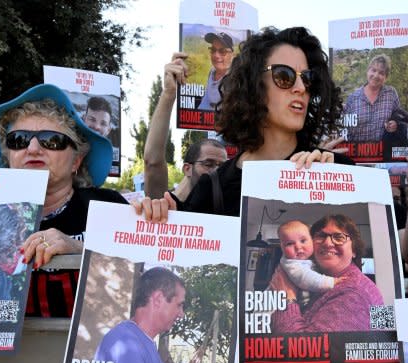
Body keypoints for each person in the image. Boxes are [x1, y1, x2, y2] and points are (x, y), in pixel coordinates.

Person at [137, 26, 351, 220]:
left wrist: (337, 185)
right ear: (253, 85)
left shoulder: (335, 169)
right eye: (284, 76)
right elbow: (153, 164)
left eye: (307, 78)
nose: (300, 88)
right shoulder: (213, 188)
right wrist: (158, 216)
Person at [0, 83, 128, 317]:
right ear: (9, 157)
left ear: (76, 161)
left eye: (51, 140)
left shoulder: (108, 207)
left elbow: (140, 285)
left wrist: (80, 250)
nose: (32, 148)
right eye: (19, 140)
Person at [92, 267, 197, 363]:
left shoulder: (143, 341)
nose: (181, 314)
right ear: (158, 299)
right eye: (179, 305)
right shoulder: (126, 343)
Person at [270, 214, 383, 333]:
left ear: (354, 250)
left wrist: (287, 297)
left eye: (339, 237)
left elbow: (307, 349)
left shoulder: (353, 292)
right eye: (320, 236)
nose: (327, 243)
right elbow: (384, 330)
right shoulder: (360, 283)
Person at [144, 52, 228, 200]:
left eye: (222, 167)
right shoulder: (168, 208)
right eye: (208, 164)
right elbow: (153, 163)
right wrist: (169, 93)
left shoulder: (224, 210)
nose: (216, 172)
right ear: (187, 169)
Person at [343, 54, 402, 143]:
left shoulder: (391, 93)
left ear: (386, 77)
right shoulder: (353, 98)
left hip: (382, 153)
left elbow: (398, 115)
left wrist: (395, 123)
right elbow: (345, 129)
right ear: (367, 71)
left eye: (381, 73)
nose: (376, 75)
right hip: (356, 153)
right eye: (373, 70)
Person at [276, 220, 338, 304]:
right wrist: (332, 282)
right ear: (282, 247)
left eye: (303, 241)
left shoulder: (307, 260)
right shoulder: (292, 264)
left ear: (312, 240)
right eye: (289, 244)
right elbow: (306, 278)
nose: (298, 247)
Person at [197, 32, 234, 111]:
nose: (216, 55)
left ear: (232, 55)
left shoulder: (235, 80)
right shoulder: (212, 71)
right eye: (213, 50)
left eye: (222, 51)